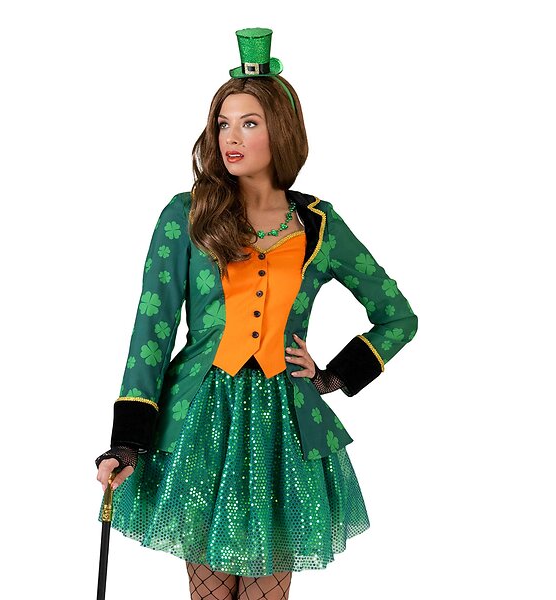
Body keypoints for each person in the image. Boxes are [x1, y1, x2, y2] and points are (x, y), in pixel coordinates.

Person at [95, 27, 418, 600]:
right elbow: (152, 331)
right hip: (200, 423)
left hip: (284, 430)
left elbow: (397, 316)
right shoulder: (187, 215)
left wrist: (334, 376)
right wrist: (126, 440)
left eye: (249, 123)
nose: (231, 137)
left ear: (281, 132)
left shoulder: (319, 225)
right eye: (223, 123)